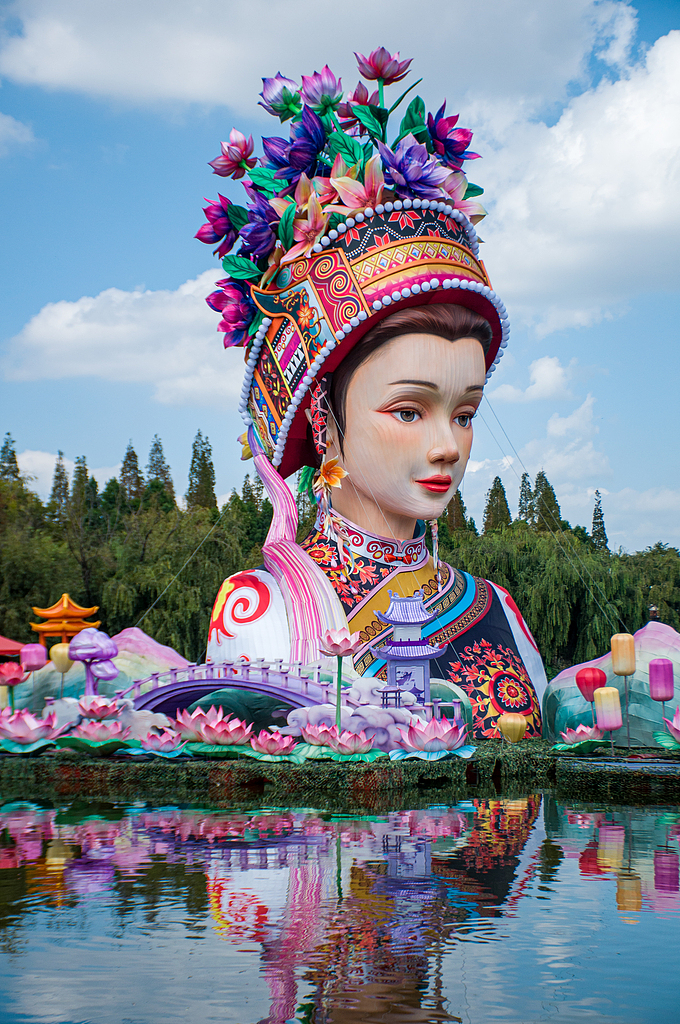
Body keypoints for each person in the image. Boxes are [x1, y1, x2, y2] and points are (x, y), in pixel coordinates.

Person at [197, 49, 547, 738]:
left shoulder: (499, 610)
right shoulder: (264, 611)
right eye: (409, 410)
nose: (448, 446)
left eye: (466, 413)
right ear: (325, 421)